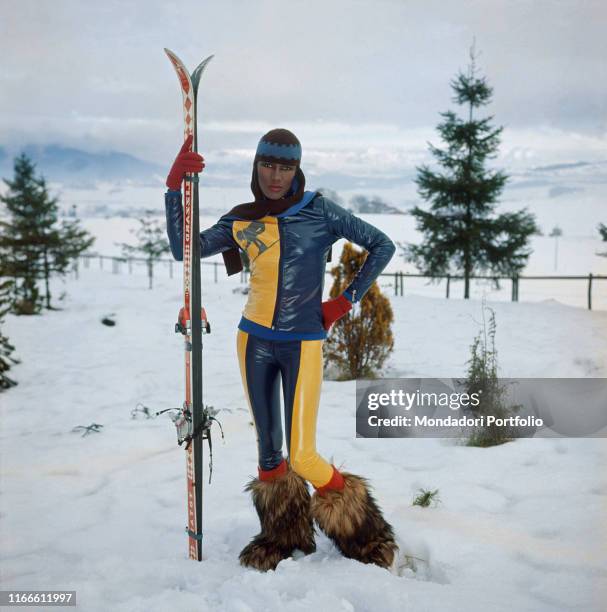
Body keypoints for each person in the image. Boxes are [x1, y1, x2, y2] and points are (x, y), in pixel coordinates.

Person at [164, 128, 398, 572]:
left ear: (297, 169)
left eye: (285, 167)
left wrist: (345, 301)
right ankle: (282, 535)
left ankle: (364, 535)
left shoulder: (320, 211)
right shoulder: (242, 218)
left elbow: (382, 245)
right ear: (256, 166)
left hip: (303, 342)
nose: (276, 175)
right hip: (252, 339)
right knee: (270, 453)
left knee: (303, 455)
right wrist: (173, 188)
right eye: (268, 165)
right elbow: (185, 250)